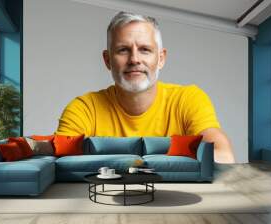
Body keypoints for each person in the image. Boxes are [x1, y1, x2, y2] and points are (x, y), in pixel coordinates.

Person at [56, 11, 235, 164]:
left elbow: (223, 156)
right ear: (108, 60)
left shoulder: (188, 99)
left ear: (161, 58)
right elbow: (60, 161)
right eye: (123, 50)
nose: (134, 59)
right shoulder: (84, 108)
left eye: (145, 49)